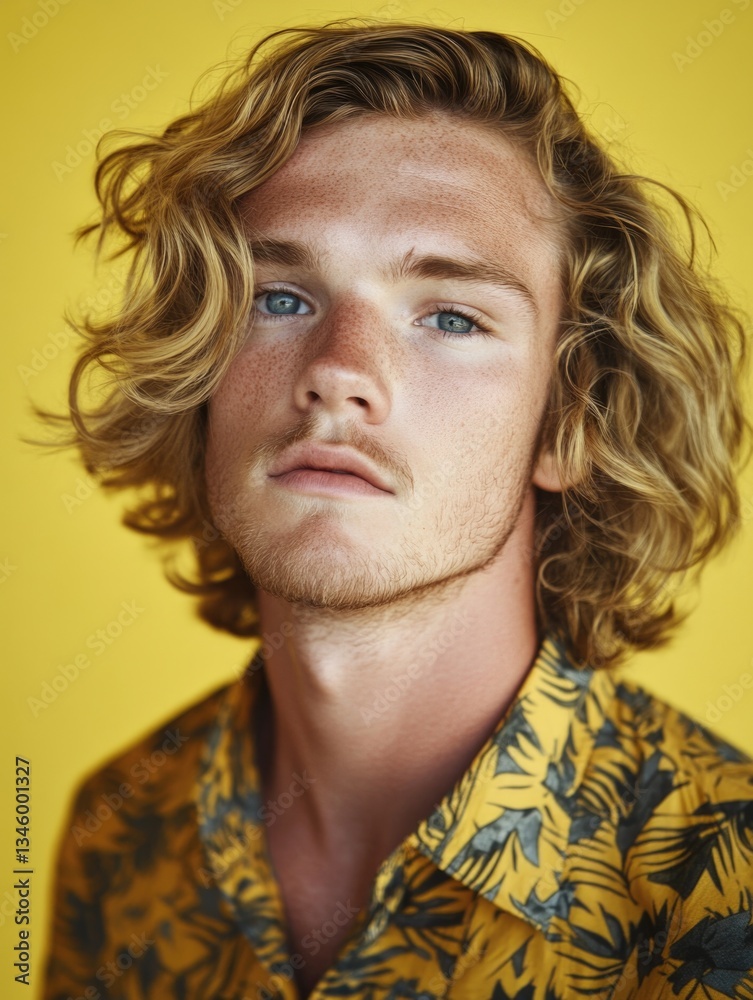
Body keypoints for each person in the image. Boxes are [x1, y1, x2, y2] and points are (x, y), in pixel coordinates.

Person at [39, 19, 753, 1000]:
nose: (339, 374)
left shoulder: (728, 886)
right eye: (279, 297)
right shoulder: (116, 830)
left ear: (570, 424)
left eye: (451, 316)